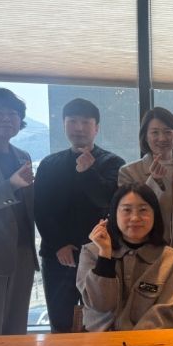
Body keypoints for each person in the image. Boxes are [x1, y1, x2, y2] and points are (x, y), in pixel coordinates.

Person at [35, 98, 125, 332]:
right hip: (58, 256)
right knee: (61, 322)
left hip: (99, 253)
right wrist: (59, 245)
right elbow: (41, 209)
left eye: (86, 122)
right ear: (64, 125)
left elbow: (109, 201)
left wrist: (88, 172)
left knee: (100, 318)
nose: (79, 128)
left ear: (96, 128)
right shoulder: (49, 164)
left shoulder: (113, 163)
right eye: (72, 121)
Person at [118, 107, 173, 322]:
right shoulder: (128, 172)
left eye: (168, 131)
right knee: (140, 317)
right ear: (145, 136)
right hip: (142, 259)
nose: (162, 138)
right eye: (155, 132)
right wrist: (152, 182)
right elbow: (128, 216)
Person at [76, 183, 173, 331]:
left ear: (155, 215)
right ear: (113, 215)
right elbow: (100, 305)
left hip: (147, 340)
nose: (135, 218)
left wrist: (132, 340)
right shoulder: (91, 252)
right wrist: (105, 254)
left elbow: (165, 312)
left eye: (143, 210)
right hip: (99, 339)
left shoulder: (171, 259)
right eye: (126, 210)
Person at [0, 87, 38, 336]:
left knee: (16, 328)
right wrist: (10, 185)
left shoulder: (22, 155)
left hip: (22, 251)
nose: (7, 119)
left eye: (13, 114)